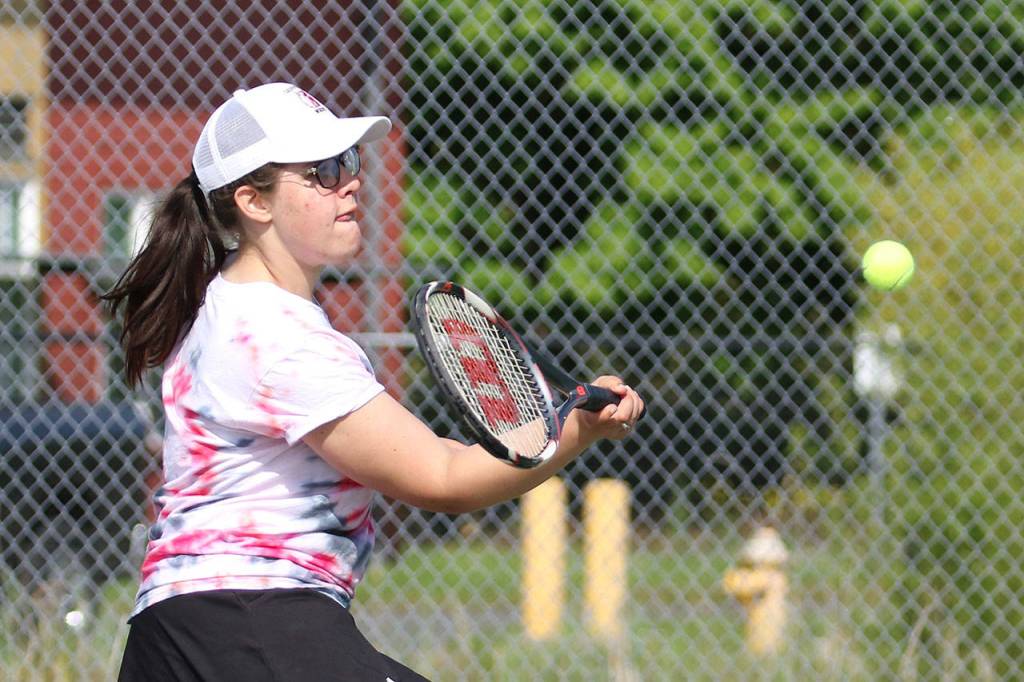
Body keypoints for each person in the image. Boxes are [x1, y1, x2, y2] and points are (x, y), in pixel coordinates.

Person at [104, 82, 644, 682]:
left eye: (350, 161)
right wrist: (580, 431)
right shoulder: (282, 340)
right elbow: (443, 479)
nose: (351, 180)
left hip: (179, 635)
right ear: (254, 202)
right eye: (323, 171)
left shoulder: (222, 308)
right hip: (250, 623)